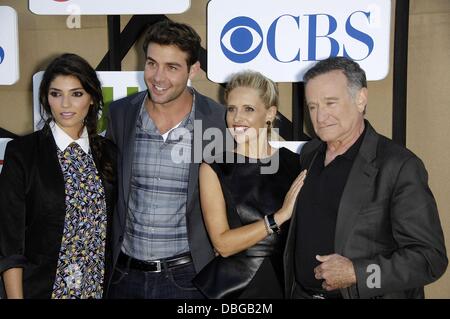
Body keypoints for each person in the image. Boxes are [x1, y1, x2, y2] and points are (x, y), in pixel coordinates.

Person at [284, 56, 448, 299]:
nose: (320, 117)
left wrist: (358, 273)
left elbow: (429, 258)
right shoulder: (309, 155)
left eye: (330, 103)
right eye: (313, 106)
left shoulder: (399, 165)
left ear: (360, 99)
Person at [106, 20, 227, 299]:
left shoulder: (217, 121)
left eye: (172, 67)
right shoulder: (121, 114)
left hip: (188, 278)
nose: (158, 77)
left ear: (193, 70)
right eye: (151, 64)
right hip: (124, 277)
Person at [0, 53, 117, 299]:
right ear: (46, 98)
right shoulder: (23, 153)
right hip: (43, 290)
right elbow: (10, 242)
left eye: (76, 94)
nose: (65, 105)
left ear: (93, 98)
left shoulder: (109, 153)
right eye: (56, 94)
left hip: (96, 290)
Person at [192, 70, 306, 298]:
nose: (236, 118)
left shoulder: (295, 162)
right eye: (231, 109)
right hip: (238, 290)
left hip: (287, 284)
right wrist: (278, 217)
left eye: (248, 109)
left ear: (270, 113)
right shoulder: (214, 167)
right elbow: (222, 245)